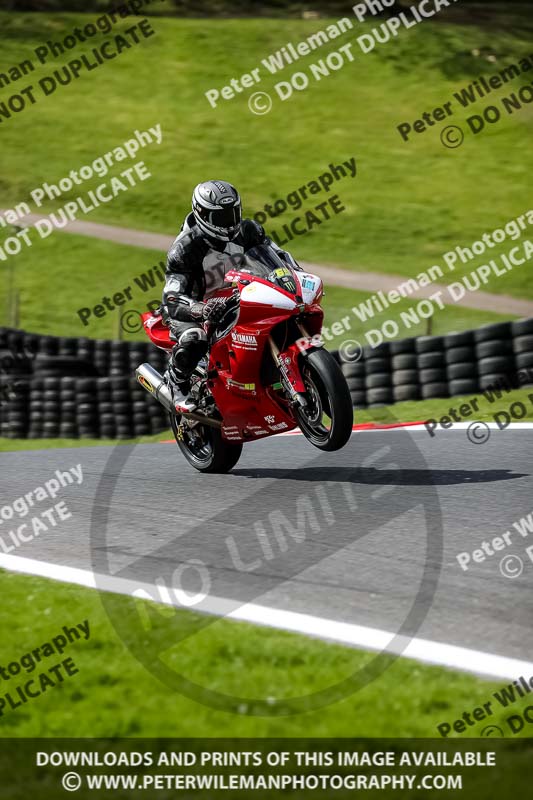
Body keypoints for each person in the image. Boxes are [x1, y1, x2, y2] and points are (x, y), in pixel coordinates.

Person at [160, 180, 299, 412]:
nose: (230, 222)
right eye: (221, 217)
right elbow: (172, 295)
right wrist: (200, 309)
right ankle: (175, 382)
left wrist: (294, 276)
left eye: (233, 213)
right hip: (192, 307)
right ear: (202, 215)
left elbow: (279, 256)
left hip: (237, 295)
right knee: (195, 338)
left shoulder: (248, 230)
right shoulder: (184, 249)